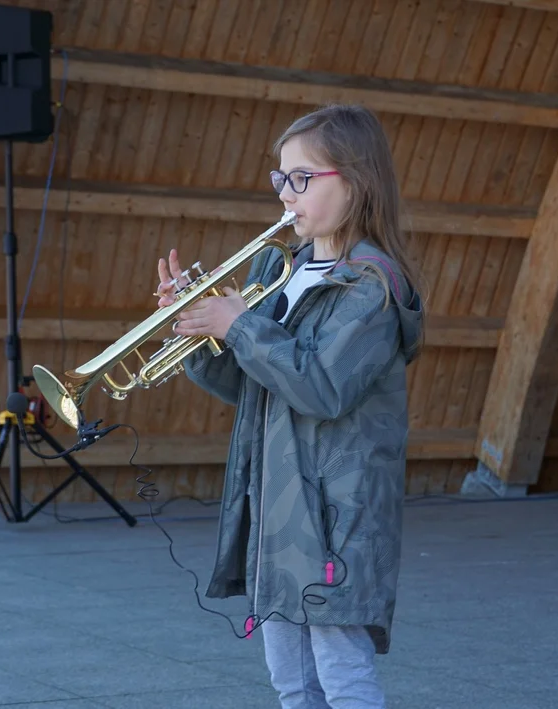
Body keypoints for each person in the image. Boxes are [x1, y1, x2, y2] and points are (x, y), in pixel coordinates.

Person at [157, 104, 424, 708]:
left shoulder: (372, 286)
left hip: (336, 516)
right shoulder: (282, 270)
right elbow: (253, 385)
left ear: (354, 180)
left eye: (302, 179)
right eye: (281, 178)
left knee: (342, 677)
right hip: (276, 508)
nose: (286, 194)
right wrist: (201, 332)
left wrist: (243, 326)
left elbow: (322, 387)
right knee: (291, 682)